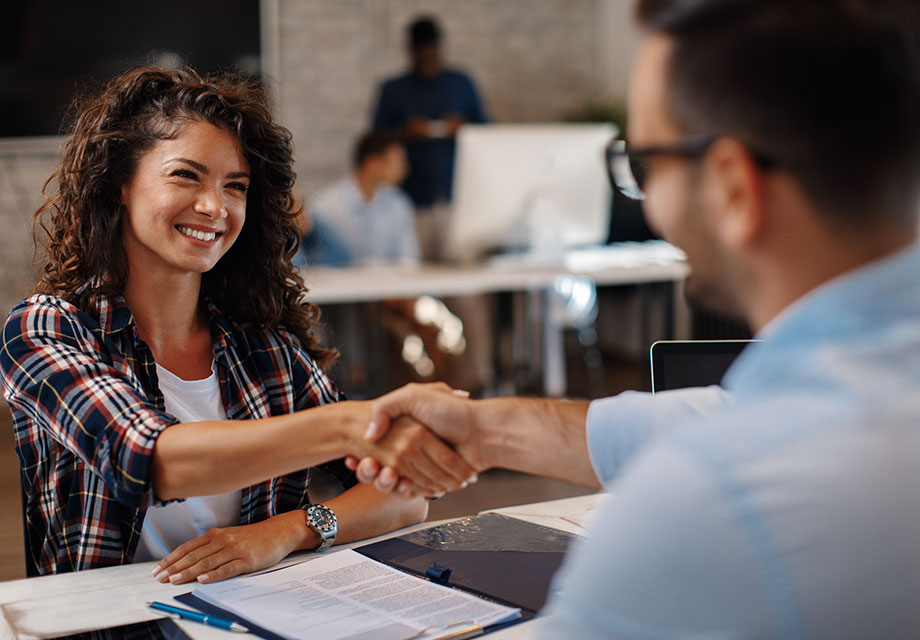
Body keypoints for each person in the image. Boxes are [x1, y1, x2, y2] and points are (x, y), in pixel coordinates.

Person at [350, 0, 920, 636]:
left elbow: (722, 447)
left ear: (732, 186)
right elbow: (711, 415)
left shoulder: (709, 502)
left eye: (645, 165)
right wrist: (483, 430)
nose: (647, 203)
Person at [0, 67, 477, 581]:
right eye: (186, 175)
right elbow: (151, 461)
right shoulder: (45, 328)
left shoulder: (265, 349)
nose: (214, 207)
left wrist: (287, 531)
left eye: (236, 186)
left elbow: (404, 498)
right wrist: (352, 426)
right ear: (120, 183)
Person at [372, 15, 488, 260]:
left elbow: (488, 131)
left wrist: (463, 128)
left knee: (465, 283)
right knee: (416, 275)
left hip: (456, 197)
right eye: (420, 53)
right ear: (411, 51)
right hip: (411, 200)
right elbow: (374, 140)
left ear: (439, 49)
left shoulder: (461, 83)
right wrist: (405, 132)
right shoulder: (394, 89)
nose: (426, 58)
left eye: (430, 52)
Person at [298, 131, 419, 266]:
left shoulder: (399, 204)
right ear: (372, 163)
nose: (405, 170)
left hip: (390, 285)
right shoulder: (326, 206)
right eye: (398, 162)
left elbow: (408, 260)